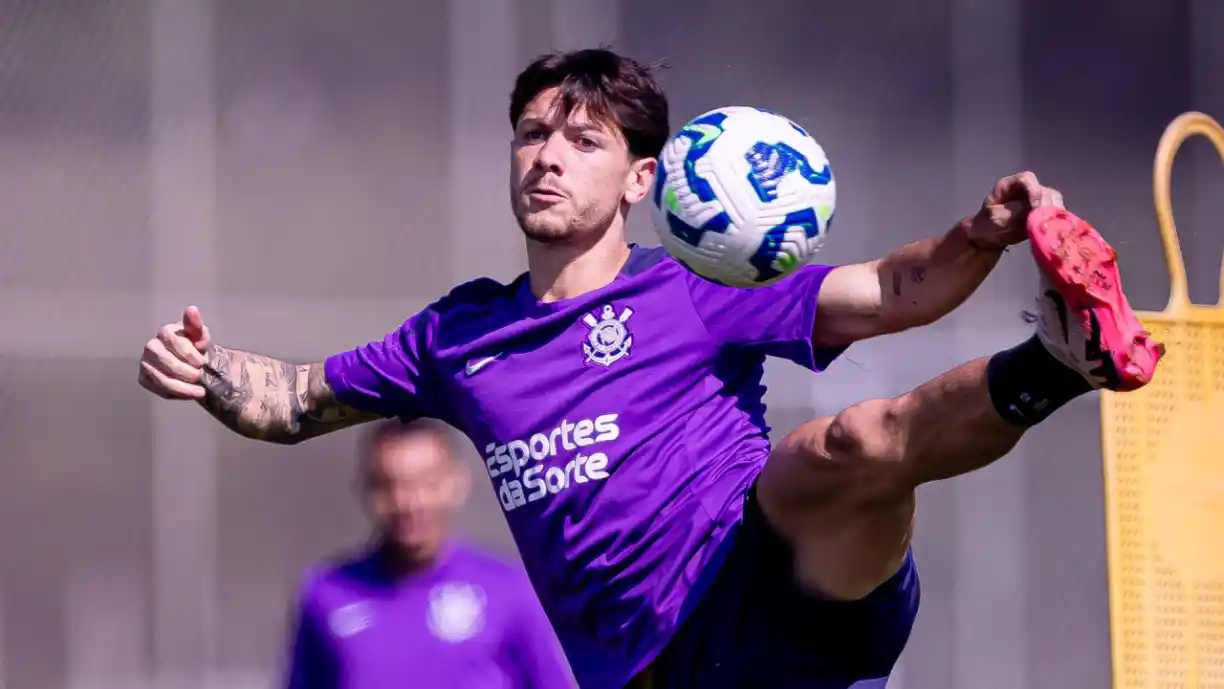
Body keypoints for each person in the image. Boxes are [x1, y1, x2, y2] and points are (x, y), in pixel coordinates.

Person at [139, 48, 1164, 689]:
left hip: (768, 578)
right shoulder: (459, 333)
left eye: (580, 139)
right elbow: (295, 400)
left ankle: (1059, 361)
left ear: (640, 178)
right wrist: (208, 367)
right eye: (531, 133)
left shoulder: (694, 289)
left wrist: (981, 234)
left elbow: (894, 290)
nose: (545, 154)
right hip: (645, 668)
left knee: (849, 441)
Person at [283, 418, 575, 689]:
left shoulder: (510, 591)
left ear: (457, 482)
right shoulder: (328, 594)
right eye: (389, 486)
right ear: (365, 489)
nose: (407, 502)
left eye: (426, 484)